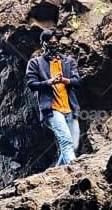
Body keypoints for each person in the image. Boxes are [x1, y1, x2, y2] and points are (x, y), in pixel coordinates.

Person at [25, 27, 82, 166]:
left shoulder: (68, 61)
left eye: (55, 42)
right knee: (66, 140)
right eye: (50, 42)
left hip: (70, 108)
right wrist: (48, 82)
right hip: (51, 109)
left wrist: (64, 80)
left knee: (73, 145)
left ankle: (57, 172)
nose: (53, 44)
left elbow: (78, 81)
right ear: (43, 44)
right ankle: (75, 172)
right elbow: (31, 84)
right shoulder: (35, 63)